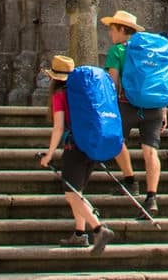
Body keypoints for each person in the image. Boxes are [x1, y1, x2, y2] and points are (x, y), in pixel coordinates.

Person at [36, 55, 113, 250]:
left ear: (54, 78)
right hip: (91, 146)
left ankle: (98, 229)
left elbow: (59, 127)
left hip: (74, 148)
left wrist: (49, 154)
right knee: (77, 192)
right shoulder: (83, 93)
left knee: (71, 195)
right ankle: (79, 234)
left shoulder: (59, 95)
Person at [101, 9, 164, 213]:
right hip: (154, 106)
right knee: (150, 151)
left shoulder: (117, 51)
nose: (110, 34)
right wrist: (164, 110)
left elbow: (112, 83)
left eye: (112, 30)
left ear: (121, 29)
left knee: (115, 139)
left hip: (127, 105)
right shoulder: (151, 52)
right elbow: (160, 82)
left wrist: (106, 109)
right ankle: (152, 197)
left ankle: (130, 180)